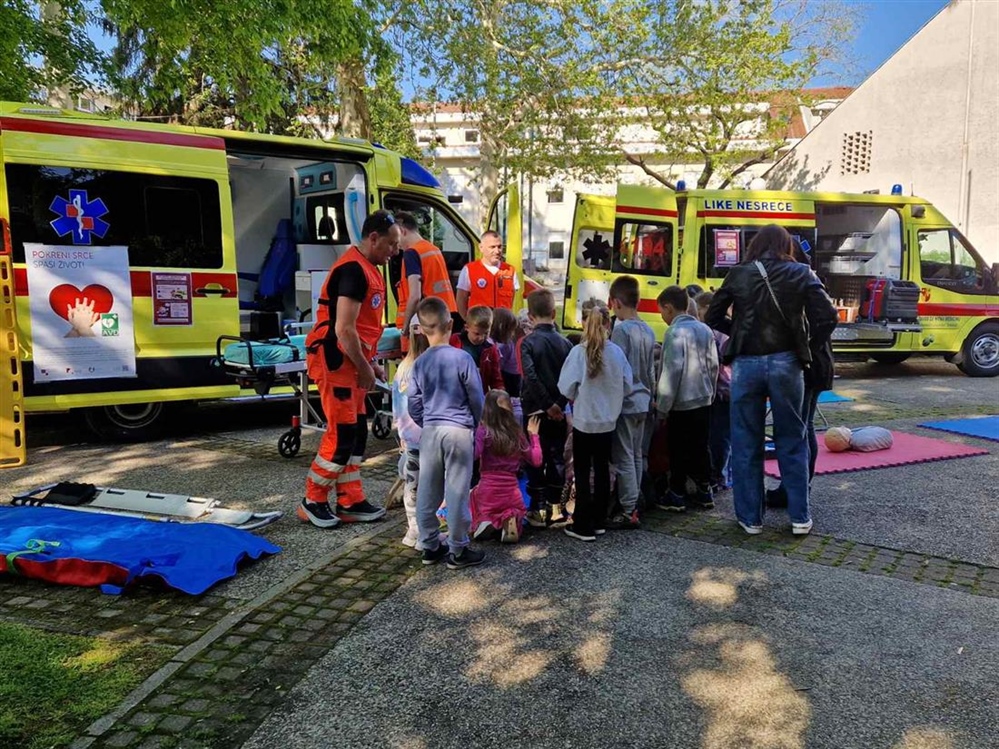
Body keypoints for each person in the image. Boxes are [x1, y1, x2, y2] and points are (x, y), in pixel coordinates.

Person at [705, 224, 838, 536]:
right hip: (787, 362)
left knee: (745, 441)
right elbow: (828, 317)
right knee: (792, 439)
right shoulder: (802, 272)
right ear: (786, 245)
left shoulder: (738, 274)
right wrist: (807, 344)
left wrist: (737, 332)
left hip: (747, 363)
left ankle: (751, 518)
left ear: (755, 245)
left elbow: (712, 317)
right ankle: (800, 517)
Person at [298, 210, 399, 528]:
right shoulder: (354, 270)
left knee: (355, 436)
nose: (394, 251)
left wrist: (370, 365)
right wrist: (365, 367)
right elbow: (344, 329)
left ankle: (350, 500)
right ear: (373, 238)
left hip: (350, 364)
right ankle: (313, 500)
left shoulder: (368, 268)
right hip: (336, 362)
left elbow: (361, 328)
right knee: (341, 436)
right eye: (391, 244)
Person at [408, 296, 487, 569]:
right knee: (456, 490)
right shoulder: (462, 358)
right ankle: (458, 548)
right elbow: (476, 397)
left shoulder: (419, 363)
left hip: (431, 430)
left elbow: (413, 404)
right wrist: (476, 423)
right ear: (451, 324)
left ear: (422, 328)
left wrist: (426, 422)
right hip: (458, 430)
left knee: (427, 490)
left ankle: (430, 545)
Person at [767, 240, 836, 509]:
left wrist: (807, 349)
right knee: (804, 426)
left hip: (809, 365)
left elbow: (828, 320)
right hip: (816, 363)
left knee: (799, 427)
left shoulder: (800, 282)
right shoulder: (808, 278)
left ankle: (793, 487)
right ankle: (799, 485)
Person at [558, 300, 633, 542]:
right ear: (609, 324)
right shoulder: (617, 353)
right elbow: (628, 384)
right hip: (608, 421)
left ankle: (583, 523)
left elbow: (566, 387)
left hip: (584, 420)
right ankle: (599, 519)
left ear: (583, 323)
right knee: (602, 469)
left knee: (581, 471)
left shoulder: (578, 353)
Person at [655, 286, 719, 513]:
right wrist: (710, 391)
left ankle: (677, 492)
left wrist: (662, 407)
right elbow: (713, 365)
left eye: (661, 312)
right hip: (703, 398)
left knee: (678, 448)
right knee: (701, 446)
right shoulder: (704, 330)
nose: (662, 317)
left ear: (668, 308)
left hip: (681, 401)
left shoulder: (674, 333)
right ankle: (704, 489)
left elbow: (671, 372)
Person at [518, 289, 574, 527]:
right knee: (556, 456)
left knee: (534, 457)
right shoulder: (566, 343)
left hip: (535, 410)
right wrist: (558, 404)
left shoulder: (528, 343)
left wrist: (545, 404)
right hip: (558, 410)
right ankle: (555, 507)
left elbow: (530, 377)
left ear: (530, 316)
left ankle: (537, 506)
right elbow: (570, 378)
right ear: (553, 312)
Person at [607, 276, 656, 529]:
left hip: (626, 401)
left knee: (624, 455)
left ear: (615, 302)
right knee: (637, 454)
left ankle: (628, 508)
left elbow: (616, 368)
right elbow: (650, 370)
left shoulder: (621, 330)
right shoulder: (648, 329)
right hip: (644, 399)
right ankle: (635, 500)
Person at [470, 391, 542, 543]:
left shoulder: (484, 430)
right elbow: (536, 460)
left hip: (487, 489)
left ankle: (486, 521)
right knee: (512, 510)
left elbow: (474, 455)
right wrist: (534, 436)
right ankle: (509, 522)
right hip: (512, 492)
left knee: (474, 495)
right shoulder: (517, 433)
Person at [391, 319, 430, 547]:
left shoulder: (403, 367)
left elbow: (396, 403)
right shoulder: (427, 367)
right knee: (430, 485)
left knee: (412, 484)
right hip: (427, 435)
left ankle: (413, 528)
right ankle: (426, 531)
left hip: (409, 437)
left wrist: (401, 431)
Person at [394, 211, 458, 351]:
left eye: (395, 238)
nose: (396, 245)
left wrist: (405, 329)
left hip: (424, 324)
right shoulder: (433, 249)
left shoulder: (411, 253)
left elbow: (415, 295)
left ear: (402, 231)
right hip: (443, 317)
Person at [695, 291, 732, 491]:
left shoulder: (717, 330)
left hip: (722, 389)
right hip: (729, 388)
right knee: (726, 435)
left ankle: (720, 475)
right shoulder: (728, 326)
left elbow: (718, 364)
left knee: (720, 435)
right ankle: (725, 473)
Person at [456, 231, 519, 319]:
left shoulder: (510, 270)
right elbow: (461, 299)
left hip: (503, 325)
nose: (497, 251)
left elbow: (512, 301)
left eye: (500, 247)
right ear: (481, 248)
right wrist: (468, 321)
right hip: (480, 326)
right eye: (492, 247)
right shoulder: (469, 269)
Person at [450, 305, 504, 391]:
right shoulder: (455, 340)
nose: (481, 338)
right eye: (477, 334)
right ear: (467, 327)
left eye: (486, 333)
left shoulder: (491, 349)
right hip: (456, 391)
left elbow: (496, 378)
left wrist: (500, 392)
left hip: (479, 392)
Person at [491, 307, 522, 396]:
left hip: (512, 375)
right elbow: (500, 364)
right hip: (510, 374)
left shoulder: (506, 344)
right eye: (511, 330)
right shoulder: (504, 344)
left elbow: (500, 364)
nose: (513, 334)